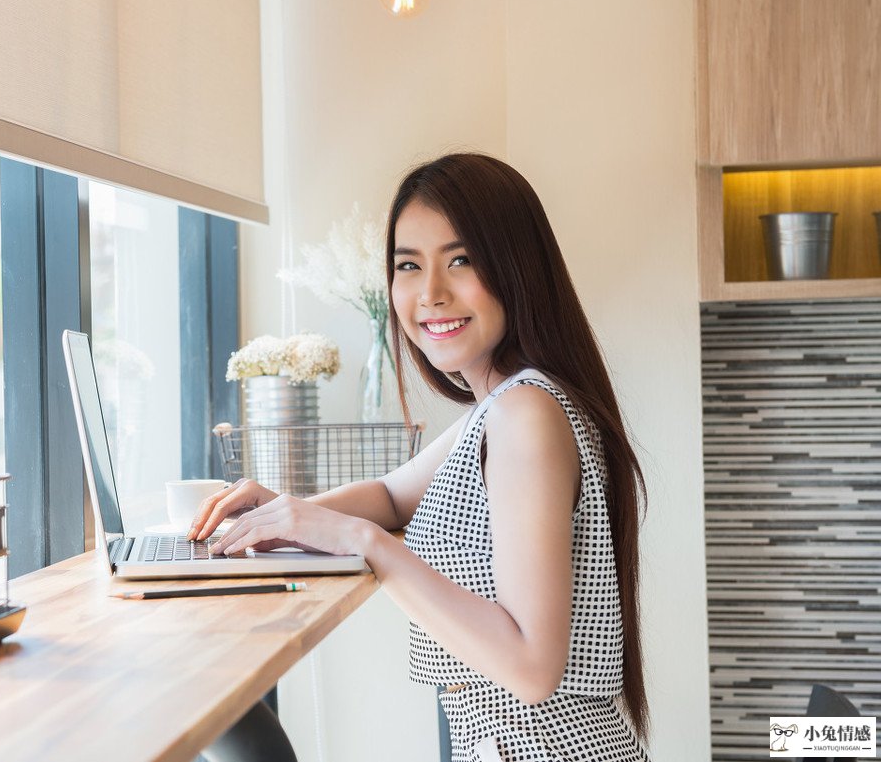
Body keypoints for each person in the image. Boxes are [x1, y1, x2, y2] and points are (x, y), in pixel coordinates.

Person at [188, 153, 651, 762]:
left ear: (517, 268)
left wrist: (369, 544)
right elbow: (390, 495)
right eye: (408, 265)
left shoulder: (526, 414)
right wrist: (285, 514)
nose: (430, 293)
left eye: (461, 260)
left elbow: (532, 668)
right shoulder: (506, 405)